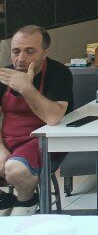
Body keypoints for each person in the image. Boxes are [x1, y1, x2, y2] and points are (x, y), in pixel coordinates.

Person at [0, 25, 73, 216]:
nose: (21, 58)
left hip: (43, 141)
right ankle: (4, 200)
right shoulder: (4, 75)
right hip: (7, 142)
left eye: (29, 51)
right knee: (7, 164)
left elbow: (52, 117)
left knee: (14, 169)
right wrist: (0, 150)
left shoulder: (59, 73)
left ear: (44, 52)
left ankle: (27, 200)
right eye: (16, 51)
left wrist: (26, 88)